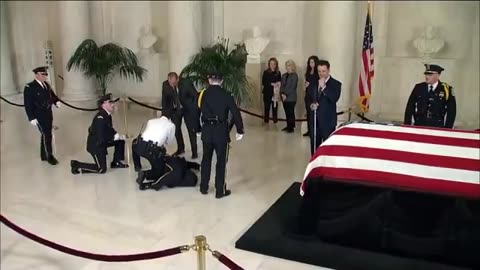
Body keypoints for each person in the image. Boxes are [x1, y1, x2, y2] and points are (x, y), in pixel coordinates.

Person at [197, 72, 244, 199]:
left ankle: (203, 187)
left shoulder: (203, 94)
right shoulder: (227, 95)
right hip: (221, 132)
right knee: (221, 162)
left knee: (205, 160)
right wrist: (240, 130)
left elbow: (197, 111)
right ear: (222, 81)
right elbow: (235, 113)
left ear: (209, 80)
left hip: (207, 130)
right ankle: (219, 191)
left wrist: (197, 129)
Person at [70, 94, 128, 174]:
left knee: (120, 140)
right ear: (103, 104)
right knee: (101, 169)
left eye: (113, 102)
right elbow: (101, 136)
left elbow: (109, 128)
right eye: (110, 102)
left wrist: (117, 135)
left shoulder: (107, 115)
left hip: (102, 141)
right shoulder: (100, 118)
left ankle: (116, 162)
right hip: (96, 145)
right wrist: (113, 138)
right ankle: (76, 164)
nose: (113, 104)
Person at [23, 66, 60, 165]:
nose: (45, 76)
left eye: (45, 74)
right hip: (38, 115)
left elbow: (52, 95)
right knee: (46, 134)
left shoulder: (46, 85)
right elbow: (28, 104)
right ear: (37, 75)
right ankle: (50, 156)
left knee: (45, 134)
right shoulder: (30, 87)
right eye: (43, 74)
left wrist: (56, 102)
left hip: (48, 113)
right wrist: (31, 117)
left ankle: (43, 155)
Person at [404, 64, 456, 128]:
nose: (427, 77)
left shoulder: (446, 89)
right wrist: (407, 125)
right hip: (420, 124)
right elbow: (410, 106)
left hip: (437, 125)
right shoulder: (419, 87)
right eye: (426, 74)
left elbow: (451, 111)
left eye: (430, 75)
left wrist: (448, 128)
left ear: (437, 76)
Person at [162, 72, 200, 157]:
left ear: (178, 79)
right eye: (170, 83)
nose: (172, 85)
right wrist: (164, 115)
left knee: (191, 130)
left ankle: (194, 152)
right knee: (177, 130)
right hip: (175, 110)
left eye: (174, 83)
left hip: (187, 109)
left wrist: (194, 110)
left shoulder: (186, 83)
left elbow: (195, 96)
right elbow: (165, 100)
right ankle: (181, 149)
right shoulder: (165, 85)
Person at [309, 60, 341, 156]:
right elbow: (309, 97)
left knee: (327, 147)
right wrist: (312, 104)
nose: (321, 74)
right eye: (319, 71)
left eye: (323, 71)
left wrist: (324, 87)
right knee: (314, 146)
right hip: (315, 120)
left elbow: (334, 98)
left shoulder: (336, 84)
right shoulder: (314, 82)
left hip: (328, 121)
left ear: (328, 70)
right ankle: (314, 164)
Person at [132, 113, 176, 184]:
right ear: (171, 119)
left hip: (139, 146)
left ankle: (137, 165)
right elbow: (168, 141)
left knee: (134, 142)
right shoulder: (171, 125)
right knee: (159, 171)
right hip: (151, 150)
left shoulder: (151, 121)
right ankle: (145, 174)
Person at [303, 56, 320, 137]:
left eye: (312, 62)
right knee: (308, 114)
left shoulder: (318, 73)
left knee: (313, 114)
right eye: (310, 62)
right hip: (308, 94)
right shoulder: (308, 72)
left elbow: (318, 84)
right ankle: (309, 130)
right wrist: (305, 85)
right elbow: (306, 82)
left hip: (314, 94)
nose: (311, 64)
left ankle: (314, 131)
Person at [280, 59, 298, 133]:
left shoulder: (294, 75)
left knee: (291, 112)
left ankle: (291, 127)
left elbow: (292, 87)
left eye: (289, 65)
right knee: (286, 112)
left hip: (291, 97)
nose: (287, 67)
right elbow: (282, 86)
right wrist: (282, 93)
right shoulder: (284, 75)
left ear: (292, 66)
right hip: (284, 98)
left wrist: (286, 94)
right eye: (287, 65)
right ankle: (288, 125)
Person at [261, 57, 282, 123]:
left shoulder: (278, 73)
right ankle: (266, 121)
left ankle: (275, 121)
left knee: (275, 108)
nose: (272, 65)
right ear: (269, 64)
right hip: (267, 93)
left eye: (274, 64)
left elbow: (280, 81)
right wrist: (271, 84)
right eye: (271, 64)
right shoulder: (266, 72)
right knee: (267, 108)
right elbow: (263, 82)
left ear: (276, 65)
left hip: (275, 93)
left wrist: (278, 84)